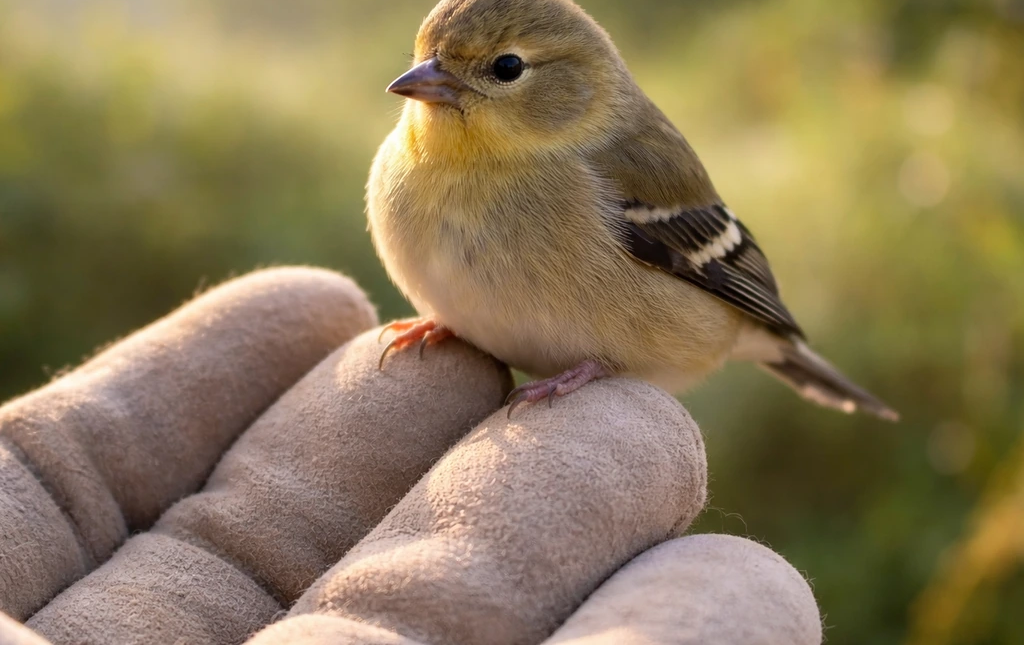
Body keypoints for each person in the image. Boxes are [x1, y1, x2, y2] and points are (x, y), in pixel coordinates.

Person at [0, 268, 821, 645]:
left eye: (494, 69)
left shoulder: (600, 165)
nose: (425, 84)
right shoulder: (416, 158)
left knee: (605, 424)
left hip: (665, 329)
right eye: (427, 63)